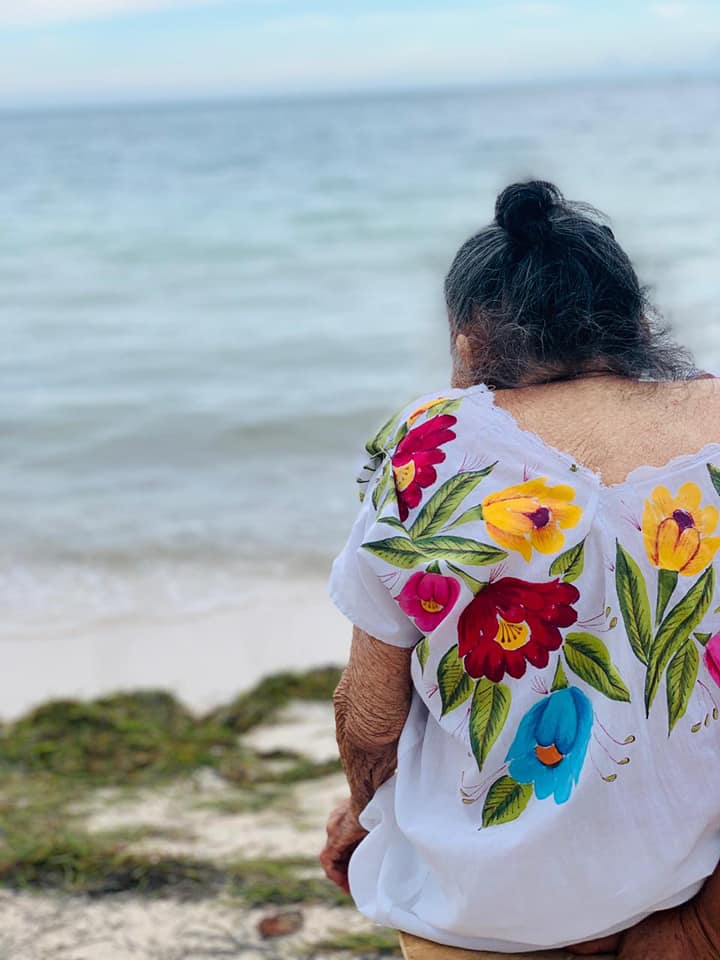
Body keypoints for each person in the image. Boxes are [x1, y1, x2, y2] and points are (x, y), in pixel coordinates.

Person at [321, 181, 720, 958]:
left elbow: (368, 718)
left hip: (484, 909)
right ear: (637, 322)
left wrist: (361, 811)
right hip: (690, 885)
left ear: (469, 340)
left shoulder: (431, 442)